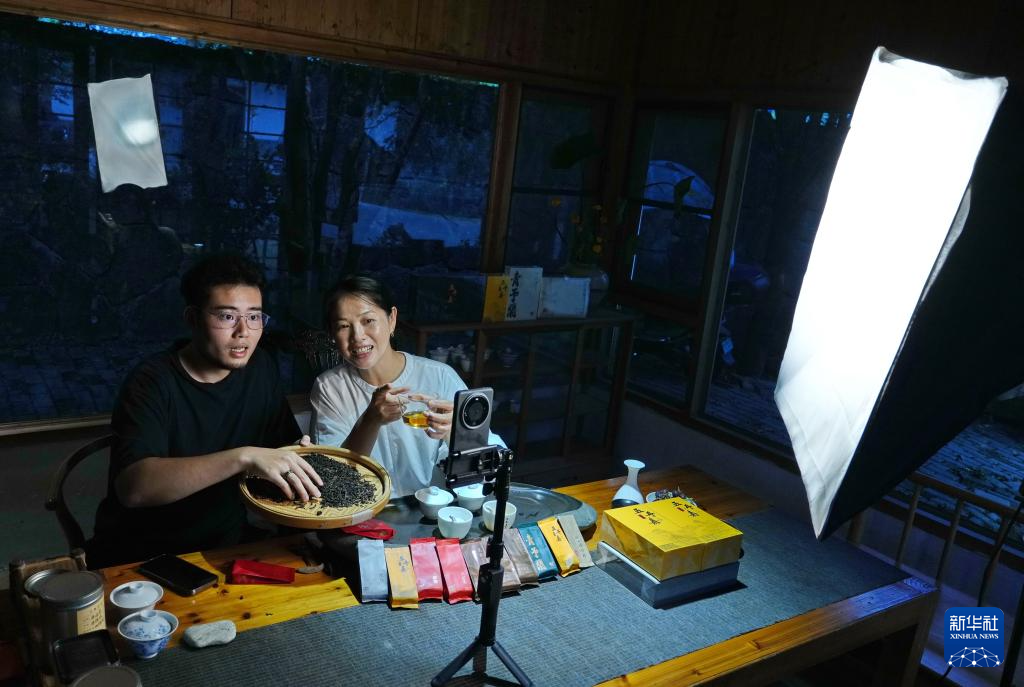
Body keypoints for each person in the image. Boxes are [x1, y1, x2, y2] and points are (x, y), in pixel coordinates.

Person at [87, 253, 322, 568]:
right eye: (227, 316)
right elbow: (134, 488)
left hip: (225, 544)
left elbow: (279, 447)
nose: (243, 331)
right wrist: (244, 457)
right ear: (192, 319)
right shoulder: (151, 382)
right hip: (142, 555)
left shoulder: (260, 367)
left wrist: (293, 453)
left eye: (254, 317)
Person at [310, 274, 503, 497]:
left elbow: (490, 462)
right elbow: (331, 479)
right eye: (343, 326)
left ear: (391, 319)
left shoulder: (440, 376)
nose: (357, 336)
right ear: (332, 335)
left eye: (368, 321)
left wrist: (456, 436)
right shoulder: (329, 388)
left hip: (432, 507)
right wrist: (370, 420)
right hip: (363, 510)